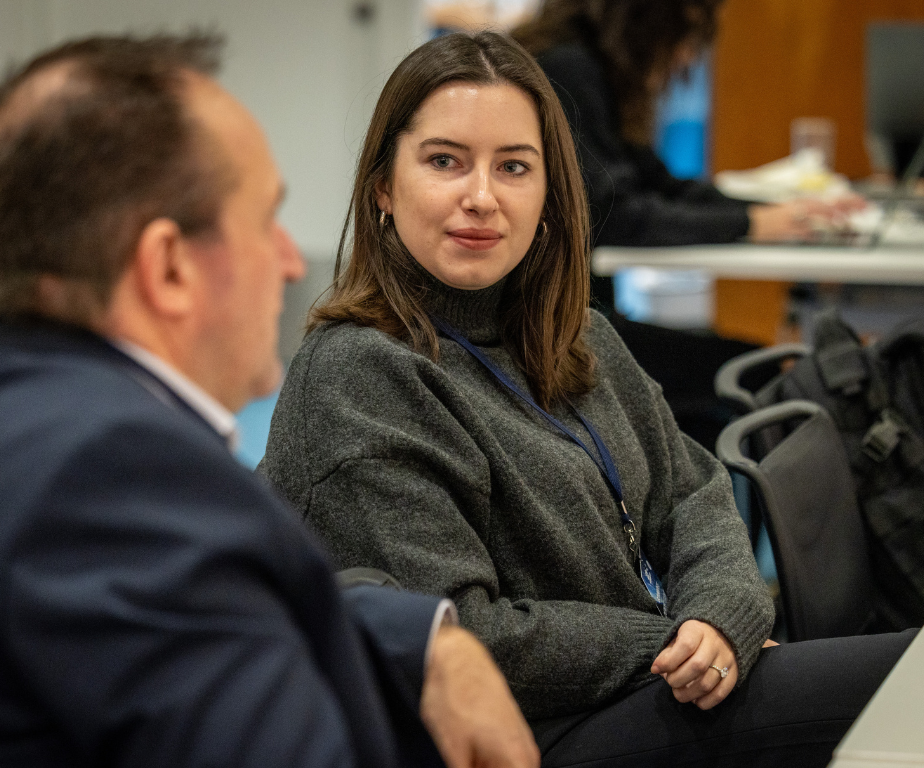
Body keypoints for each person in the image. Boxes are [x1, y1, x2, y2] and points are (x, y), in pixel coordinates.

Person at [260, 31, 916, 768]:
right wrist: (670, 642)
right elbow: (461, 633)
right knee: (908, 686)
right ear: (384, 186)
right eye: (445, 161)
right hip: (533, 733)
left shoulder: (575, 333)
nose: (481, 196)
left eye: (513, 167)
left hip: (651, 684)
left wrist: (717, 611)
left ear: (548, 196)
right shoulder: (360, 374)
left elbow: (692, 491)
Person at [0, 33, 541, 768]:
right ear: (169, 269)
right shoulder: (113, 472)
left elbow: (208, 607)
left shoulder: (49, 421)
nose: (290, 262)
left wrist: (425, 637)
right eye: (264, 222)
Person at [510, 0, 864, 450]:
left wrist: (780, 211)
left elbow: (658, 185)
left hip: (580, 322)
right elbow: (615, 215)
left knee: (752, 367)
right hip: (561, 335)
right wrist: (754, 222)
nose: (687, 57)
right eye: (688, 36)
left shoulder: (584, 67)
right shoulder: (568, 70)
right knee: (758, 370)